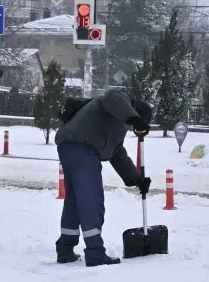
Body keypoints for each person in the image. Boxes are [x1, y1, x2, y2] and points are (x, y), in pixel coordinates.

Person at [54, 89, 152, 267]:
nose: (133, 128)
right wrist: (134, 118)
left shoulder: (115, 122)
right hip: (82, 147)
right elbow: (114, 97)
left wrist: (137, 179)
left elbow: (117, 152)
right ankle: (95, 253)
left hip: (69, 147)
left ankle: (65, 249)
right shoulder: (121, 98)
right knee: (91, 200)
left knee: (74, 201)